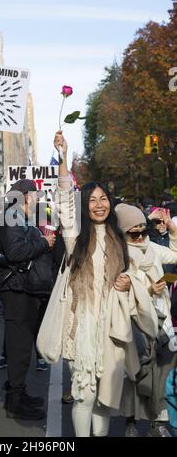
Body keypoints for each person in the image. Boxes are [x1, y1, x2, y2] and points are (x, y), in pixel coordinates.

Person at [52, 131, 131, 437]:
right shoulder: (75, 237)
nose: (99, 205)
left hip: (111, 329)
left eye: (103, 199)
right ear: (84, 206)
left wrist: (126, 280)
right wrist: (62, 156)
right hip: (80, 328)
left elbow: (129, 275)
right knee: (84, 395)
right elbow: (64, 201)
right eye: (92, 200)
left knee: (105, 398)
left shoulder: (117, 237)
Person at [0, 179, 56, 420]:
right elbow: (16, 252)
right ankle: (15, 402)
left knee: (22, 346)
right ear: (26, 196)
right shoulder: (11, 217)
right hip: (17, 291)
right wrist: (43, 242)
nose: (39, 198)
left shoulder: (19, 217)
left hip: (24, 289)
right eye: (36, 194)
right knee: (19, 347)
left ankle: (19, 392)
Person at [115, 203, 177, 437]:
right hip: (135, 321)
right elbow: (118, 294)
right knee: (135, 373)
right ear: (123, 232)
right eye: (134, 232)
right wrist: (148, 291)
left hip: (162, 319)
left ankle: (158, 422)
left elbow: (175, 254)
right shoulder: (119, 255)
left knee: (163, 371)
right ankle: (130, 422)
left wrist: (171, 229)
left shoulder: (151, 247)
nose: (140, 236)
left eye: (143, 229)